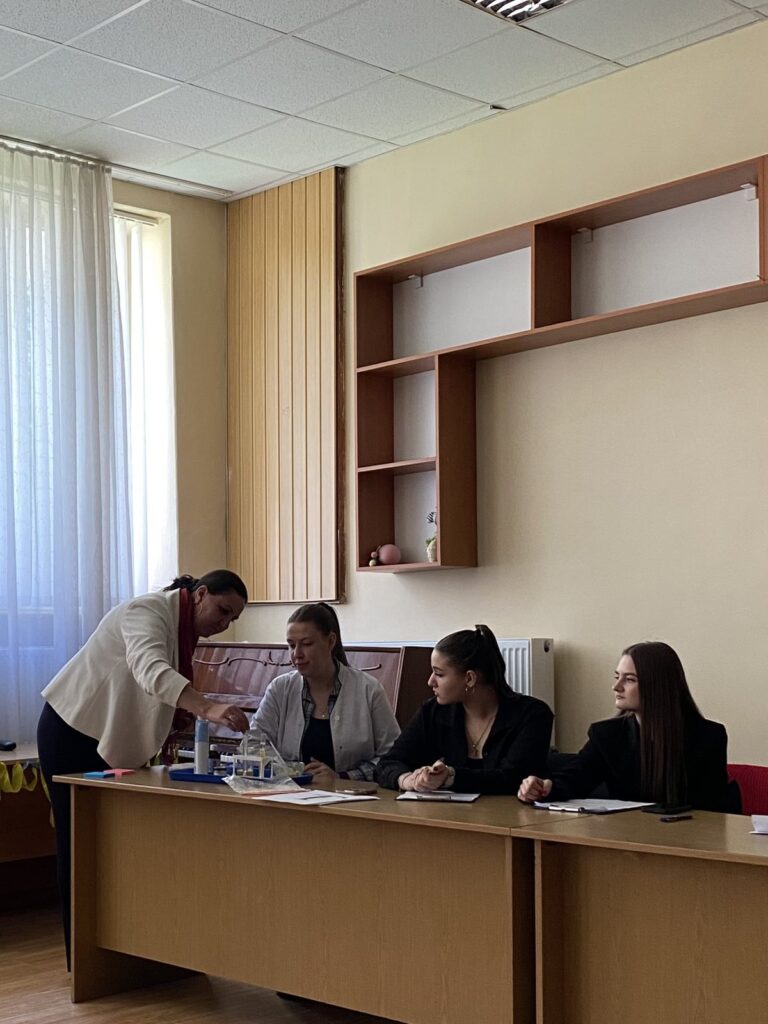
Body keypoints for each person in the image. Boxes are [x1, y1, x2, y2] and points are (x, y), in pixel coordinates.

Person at [37, 570, 251, 968]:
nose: (224, 624)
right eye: (223, 611)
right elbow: (148, 668)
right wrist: (206, 707)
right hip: (72, 732)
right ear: (200, 594)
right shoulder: (147, 611)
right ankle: (86, 963)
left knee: (119, 847)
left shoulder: (183, 629)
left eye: (232, 619)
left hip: (106, 738)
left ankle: (132, 955)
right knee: (79, 847)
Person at [517, 641, 737, 812]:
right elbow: (577, 777)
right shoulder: (607, 735)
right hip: (625, 839)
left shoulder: (708, 736)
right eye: (617, 677)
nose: (616, 686)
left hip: (686, 841)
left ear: (657, 686)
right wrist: (544, 786)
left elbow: (712, 808)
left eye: (629, 679)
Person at [376, 625, 553, 794]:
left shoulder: (533, 715)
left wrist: (451, 776)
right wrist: (407, 780)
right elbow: (387, 763)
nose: (430, 682)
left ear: (469, 678)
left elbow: (514, 778)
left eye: (439, 674)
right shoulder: (432, 711)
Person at [253, 603, 400, 784]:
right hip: (289, 793)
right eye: (291, 645)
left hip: (351, 796)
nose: (297, 654)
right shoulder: (279, 689)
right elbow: (254, 744)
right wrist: (291, 772)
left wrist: (342, 777)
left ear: (330, 641)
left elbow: (393, 757)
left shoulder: (368, 689)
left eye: (307, 644)